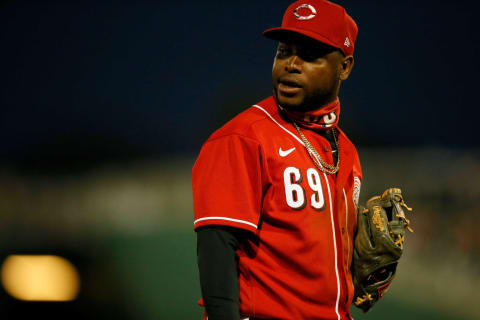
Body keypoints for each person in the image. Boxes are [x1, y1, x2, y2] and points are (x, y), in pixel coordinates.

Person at [192, 1, 361, 319]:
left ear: (345, 67)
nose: (291, 64)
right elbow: (217, 248)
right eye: (284, 51)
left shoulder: (346, 151)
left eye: (310, 55)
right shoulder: (242, 138)